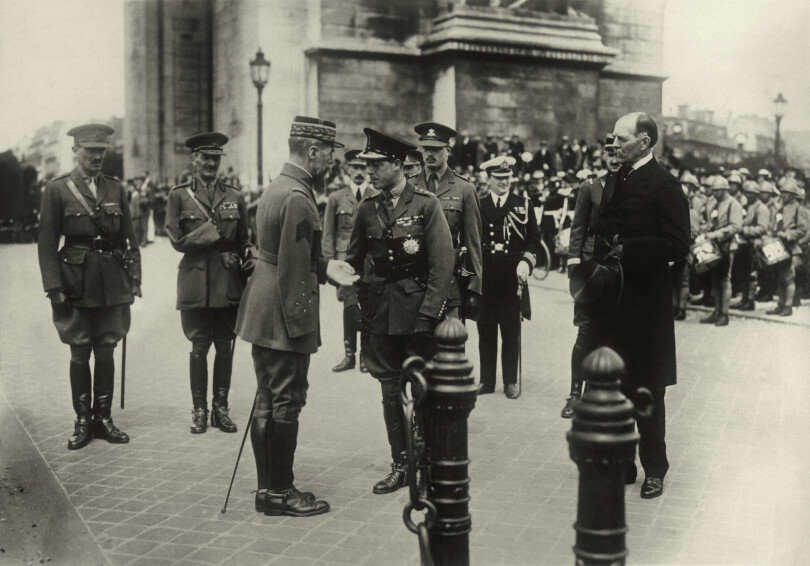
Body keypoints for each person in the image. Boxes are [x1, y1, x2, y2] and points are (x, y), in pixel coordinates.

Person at [235, 116, 358, 517]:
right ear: (311, 151)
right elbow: (292, 269)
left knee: (268, 400)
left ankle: (267, 491)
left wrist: (326, 268)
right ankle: (281, 492)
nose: (329, 164)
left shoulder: (278, 188)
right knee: (287, 401)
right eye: (327, 155)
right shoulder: (299, 197)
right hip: (283, 314)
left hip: (263, 308)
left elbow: (291, 253)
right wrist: (303, 327)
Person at [344, 128, 454, 494]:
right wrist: (353, 299)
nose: (370, 171)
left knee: (421, 389)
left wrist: (428, 314)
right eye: (367, 165)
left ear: (396, 165)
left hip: (416, 314)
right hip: (380, 314)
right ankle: (401, 464)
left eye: (377, 165)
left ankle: (427, 461)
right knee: (390, 392)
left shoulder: (425, 204)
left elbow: (442, 263)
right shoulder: (367, 208)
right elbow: (353, 262)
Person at [595, 113, 690, 499]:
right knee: (617, 387)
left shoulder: (666, 186)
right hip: (614, 299)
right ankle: (624, 464)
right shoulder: (619, 177)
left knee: (648, 389)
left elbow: (678, 244)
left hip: (647, 304)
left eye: (620, 138)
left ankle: (655, 469)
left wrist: (629, 250)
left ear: (645, 142)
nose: (612, 144)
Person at [38, 123, 141, 450]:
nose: (97, 157)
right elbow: (47, 243)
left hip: (111, 281)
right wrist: (54, 287)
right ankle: (83, 420)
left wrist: (134, 279)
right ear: (76, 151)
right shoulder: (57, 190)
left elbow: (130, 238)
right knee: (80, 351)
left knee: (107, 350)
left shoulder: (115, 188)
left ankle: (104, 418)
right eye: (90, 151)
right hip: (75, 281)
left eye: (101, 152)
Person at [165, 132, 252, 434]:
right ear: (194, 160)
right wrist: (210, 235)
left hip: (228, 281)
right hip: (196, 280)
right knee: (199, 346)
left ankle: (221, 408)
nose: (210, 164)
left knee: (225, 346)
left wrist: (249, 259)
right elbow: (177, 240)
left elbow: (244, 241)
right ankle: (199, 409)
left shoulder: (236, 197)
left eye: (215, 159)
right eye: (205, 158)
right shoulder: (178, 196)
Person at [561, 135, 619, 418]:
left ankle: (605, 394)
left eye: (618, 152)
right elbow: (578, 229)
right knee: (586, 332)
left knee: (614, 333)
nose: (613, 157)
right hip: (590, 268)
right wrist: (575, 269)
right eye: (609, 152)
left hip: (619, 271)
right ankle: (575, 393)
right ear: (602, 158)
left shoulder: (633, 188)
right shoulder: (590, 187)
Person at [476, 156, 541, 400]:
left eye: (506, 178)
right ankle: (486, 380)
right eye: (498, 178)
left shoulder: (523, 205)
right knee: (486, 329)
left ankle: (511, 381)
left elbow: (534, 240)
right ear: (488, 179)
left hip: (512, 275)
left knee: (511, 330)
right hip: (487, 274)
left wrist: (526, 261)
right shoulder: (479, 204)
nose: (503, 182)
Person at [412, 121, 483, 321]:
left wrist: (474, 288)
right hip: (411, 285)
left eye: (436, 149)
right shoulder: (409, 186)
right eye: (426, 148)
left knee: (450, 345)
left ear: (448, 151)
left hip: (449, 284)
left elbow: (473, 241)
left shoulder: (464, 189)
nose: (429, 154)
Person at [322, 149, 377, 372]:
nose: (358, 172)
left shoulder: (375, 195)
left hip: (369, 262)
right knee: (350, 306)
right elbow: (328, 234)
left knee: (368, 307)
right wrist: (328, 265)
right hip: (345, 261)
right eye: (354, 167)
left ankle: (365, 355)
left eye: (363, 168)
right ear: (347, 169)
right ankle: (349, 355)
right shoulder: (336, 198)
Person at [697, 176, 743, 326]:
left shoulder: (734, 204)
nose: (714, 193)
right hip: (714, 246)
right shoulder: (714, 203)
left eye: (717, 191)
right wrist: (707, 229)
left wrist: (716, 234)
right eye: (713, 191)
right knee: (714, 279)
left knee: (724, 279)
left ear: (724, 190)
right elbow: (711, 222)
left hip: (727, 245)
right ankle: (717, 311)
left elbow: (736, 226)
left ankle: (725, 313)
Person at [766, 178, 808, 316]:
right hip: (778, 245)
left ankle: (788, 306)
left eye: (786, 193)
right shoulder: (780, 208)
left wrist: (788, 234)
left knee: (789, 277)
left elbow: (803, 229)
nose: (783, 195)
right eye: (782, 192)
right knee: (779, 276)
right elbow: (774, 225)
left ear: (793, 194)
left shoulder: (799, 209)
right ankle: (780, 304)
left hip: (791, 246)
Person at [731, 180, 768, 311]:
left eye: (752, 193)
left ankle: (750, 301)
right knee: (745, 273)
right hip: (745, 245)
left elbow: (763, 228)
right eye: (747, 193)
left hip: (755, 245)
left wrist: (745, 231)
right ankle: (744, 299)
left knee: (752, 274)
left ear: (757, 194)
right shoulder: (747, 207)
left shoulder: (761, 208)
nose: (749, 195)